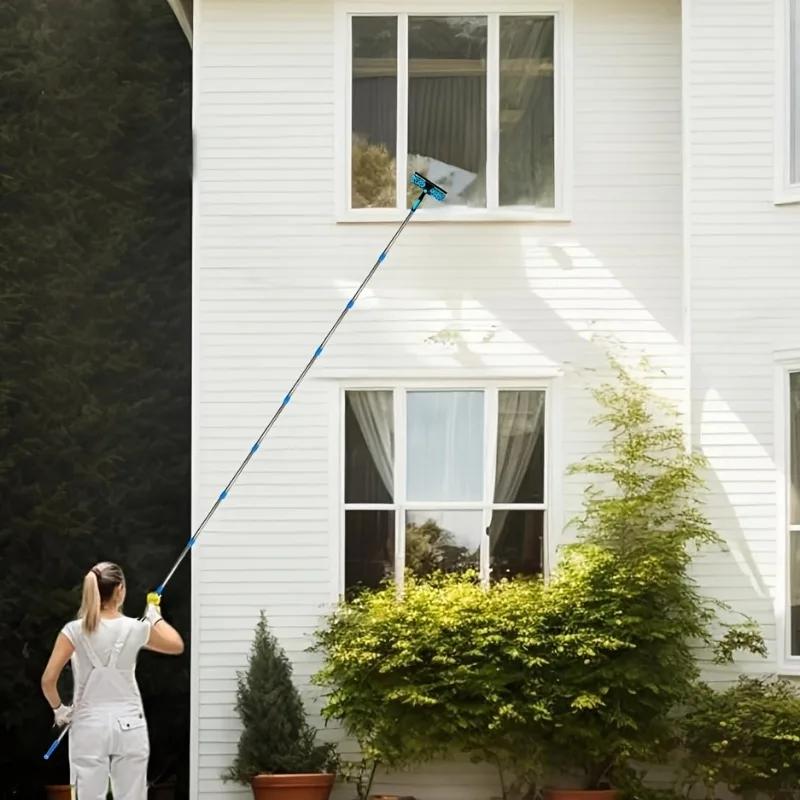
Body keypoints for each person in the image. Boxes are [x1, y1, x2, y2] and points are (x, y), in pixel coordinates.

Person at [41, 561, 184, 799]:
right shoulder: (135, 629)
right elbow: (176, 644)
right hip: (129, 725)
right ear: (119, 590)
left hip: (88, 726)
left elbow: (48, 680)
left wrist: (59, 709)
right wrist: (154, 616)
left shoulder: (74, 630)